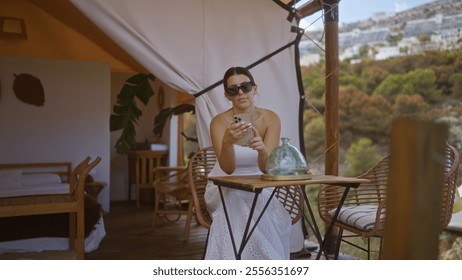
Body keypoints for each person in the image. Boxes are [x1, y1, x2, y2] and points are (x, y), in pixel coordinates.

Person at [204, 66, 291, 259]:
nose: (241, 93)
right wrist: (227, 142)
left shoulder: (271, 118)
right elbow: (227, 169)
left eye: (245, 86)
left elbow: (266, 168)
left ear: (254, 88)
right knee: (235, 200)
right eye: (233, 90)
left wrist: (261, 150)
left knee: (259, 206)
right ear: (227, 96)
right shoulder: (219, 122)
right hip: (223, 185)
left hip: (259, 182)